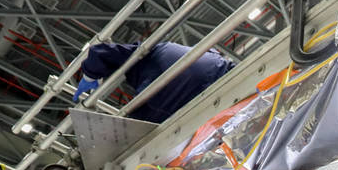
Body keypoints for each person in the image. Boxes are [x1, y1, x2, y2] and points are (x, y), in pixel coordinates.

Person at [73, 40, 234, 123]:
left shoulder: (141, 56)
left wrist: (89, 76)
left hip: (167, 95)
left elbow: (99, 52)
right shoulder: (161, 47)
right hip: (215, 68)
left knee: (137, 134)